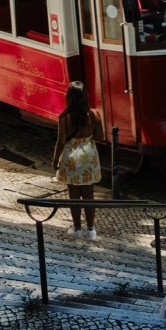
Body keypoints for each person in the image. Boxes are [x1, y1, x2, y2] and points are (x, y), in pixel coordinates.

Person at [52, 80, 103, 238]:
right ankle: (90, 229)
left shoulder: (64, 117)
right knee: (89, 195)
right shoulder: (94, 114)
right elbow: (100, 137)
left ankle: (77, 229)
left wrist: (55, 160)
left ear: (69, 97)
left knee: (73, 195)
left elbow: (60, 142)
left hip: (71, 158)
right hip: (88, 156)